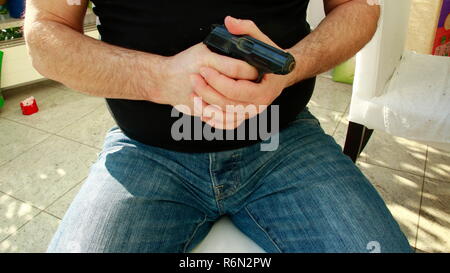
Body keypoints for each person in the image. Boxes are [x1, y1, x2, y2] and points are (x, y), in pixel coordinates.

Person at [24, 0, 412, 253]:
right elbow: (45, 32)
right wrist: (158, 78)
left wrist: (289, 66)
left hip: (284, 140)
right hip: (147, 153)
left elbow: (359, 7)